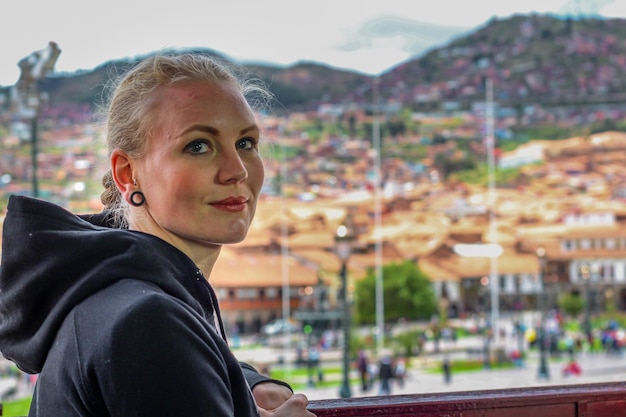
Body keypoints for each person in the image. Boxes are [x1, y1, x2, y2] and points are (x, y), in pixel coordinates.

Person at [0, 52, 316, 417]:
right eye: (198, 145)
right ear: (128, 174)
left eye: (245, 143)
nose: (237, 170)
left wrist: (240, 381)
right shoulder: (149, 321)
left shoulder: (120, 301)